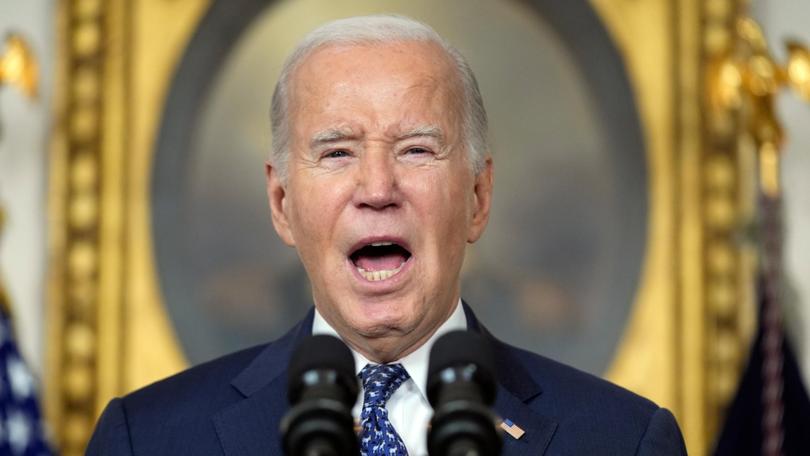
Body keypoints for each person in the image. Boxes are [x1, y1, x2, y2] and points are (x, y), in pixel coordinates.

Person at [86, 15, 687, 455]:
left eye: (417, 149)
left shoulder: (623, 439)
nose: (377, 187)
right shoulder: (148, 438)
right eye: (338, 152)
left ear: (478, 198)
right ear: (281, 203)